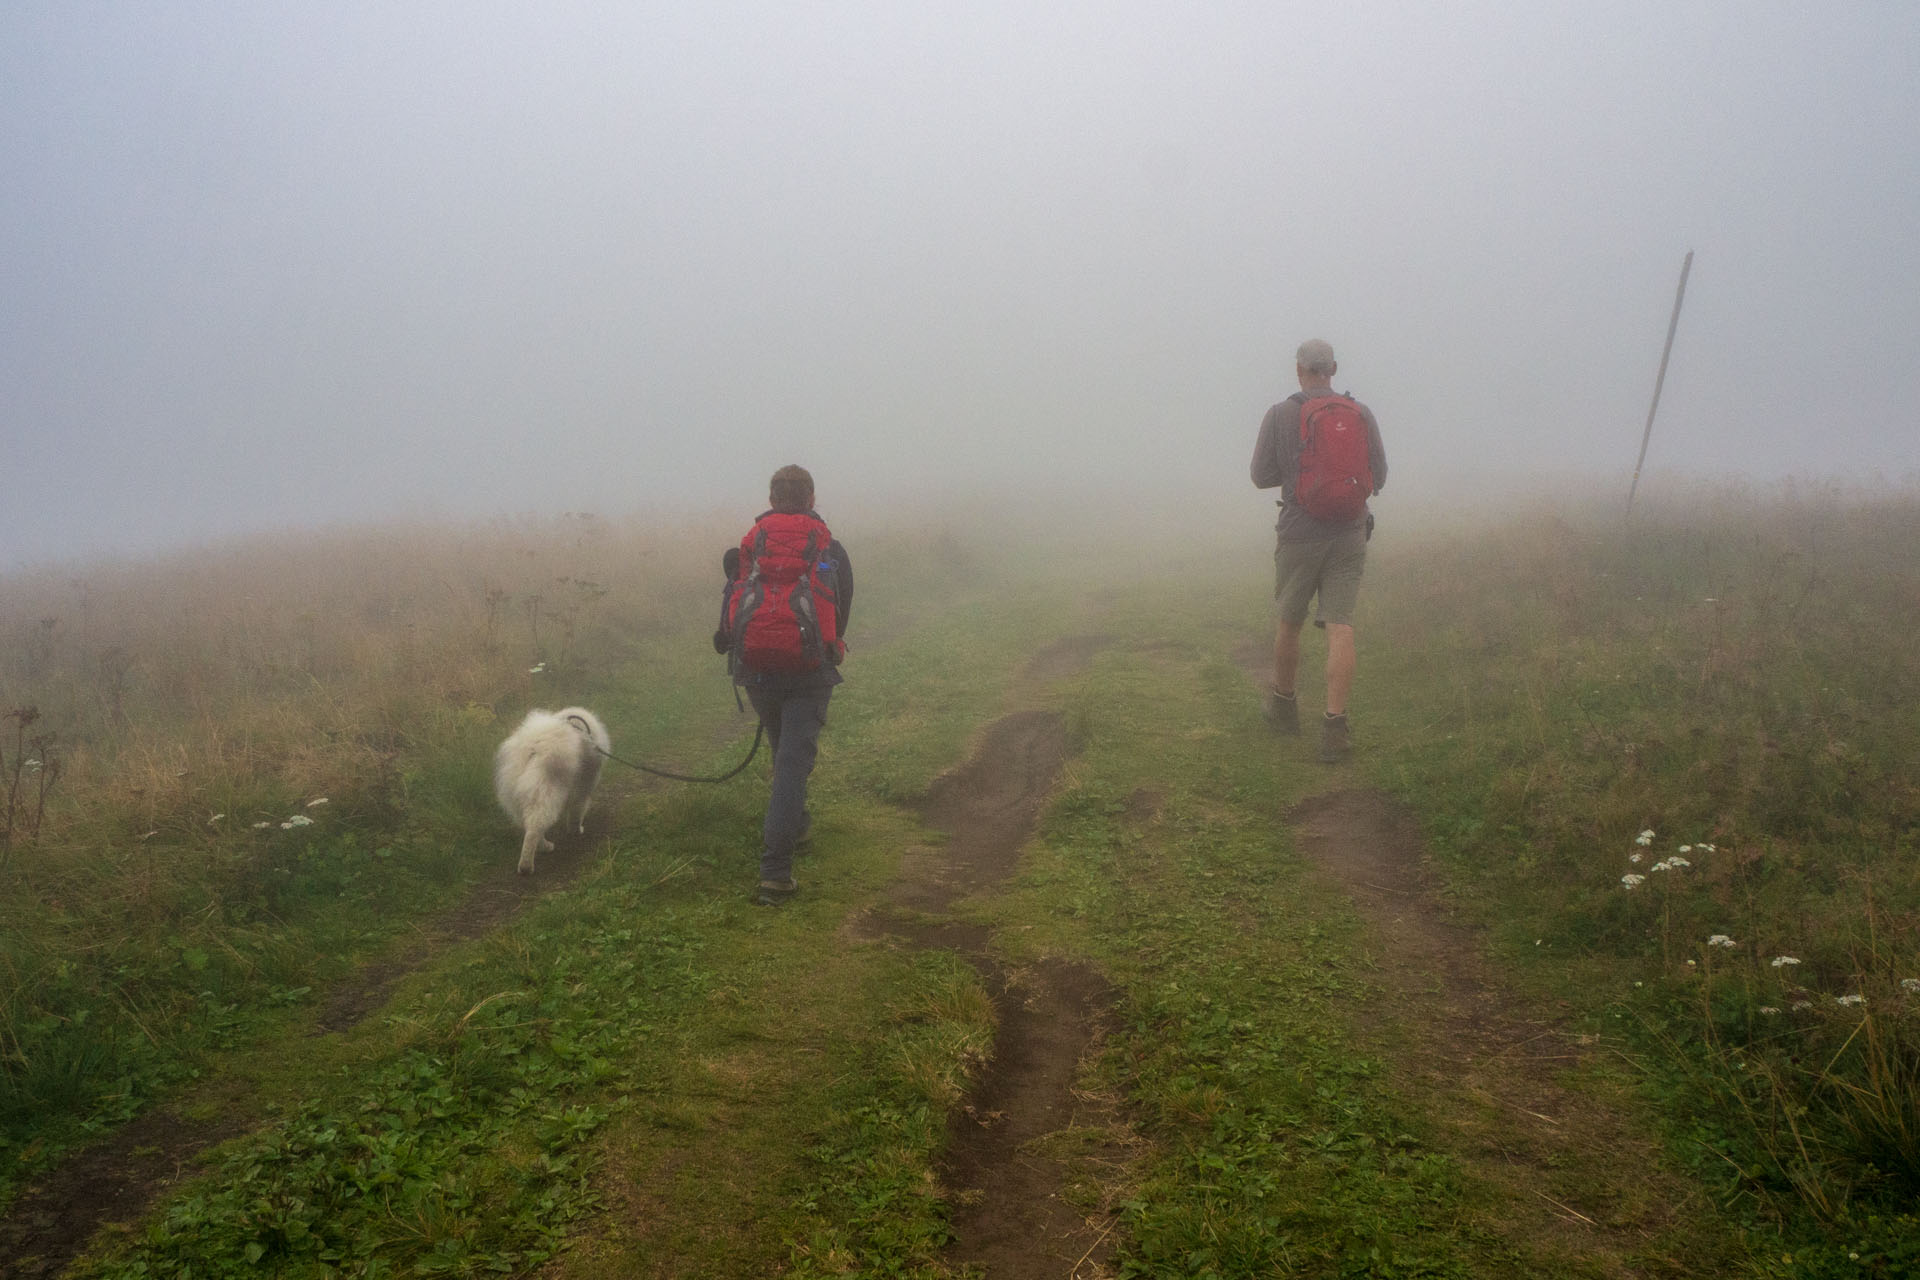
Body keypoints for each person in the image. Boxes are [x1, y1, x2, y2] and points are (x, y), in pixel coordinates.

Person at [714, 465, 853, 905]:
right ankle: (775, 872)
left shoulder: (752, 542)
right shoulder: (829, 546)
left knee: (784, 753)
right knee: (792, 763)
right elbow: (840, 608)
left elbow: (734, 593)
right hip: (810, 670)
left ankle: (799, 824)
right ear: (811, 498)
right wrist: (827, 647)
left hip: (756, 668)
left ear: (772, 499)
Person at [1249, 339, 1388, 763]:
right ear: (1333, 368)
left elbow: (1260, 476)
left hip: (1298, 533)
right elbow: (1378, 475)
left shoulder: (1279, 413)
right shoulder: (1360, 414)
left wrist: (1298, 478)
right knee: (1340, 626)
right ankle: (1334, 728)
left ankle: (1285, 708)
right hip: (1348, 532)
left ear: (1298, 370)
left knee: (1290, 621)